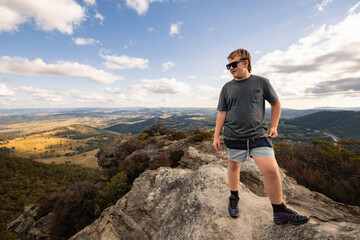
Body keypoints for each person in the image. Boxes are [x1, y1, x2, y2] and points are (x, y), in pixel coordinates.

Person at [213, 48, 309, 225]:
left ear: (246, 62)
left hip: (258, 136)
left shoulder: (262, 82)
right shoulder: (227, 87)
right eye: (228, 66)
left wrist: (274, 125)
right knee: (234, 167)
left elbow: (276, 103)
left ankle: (279, 212)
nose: (231, 68)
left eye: (234, 64)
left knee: (271, 171)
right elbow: (222, 113)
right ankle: (234, 197)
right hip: (233, 137)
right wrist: (216, 136)